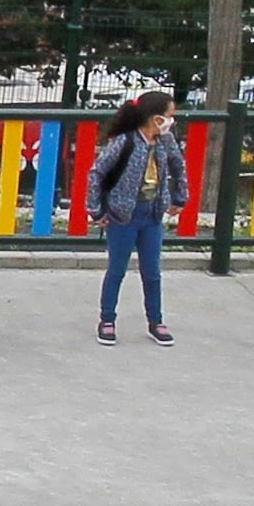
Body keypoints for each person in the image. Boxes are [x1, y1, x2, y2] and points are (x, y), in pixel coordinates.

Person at [90, 91, 184, 345]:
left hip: (152, 214)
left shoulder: (165, 141)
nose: (171, 122)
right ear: (155, 119)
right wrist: (96, 210)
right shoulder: (125, 141)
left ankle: (156, 320)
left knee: (152, 272)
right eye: (168, 117)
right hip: (123, 215)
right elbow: (97, 173)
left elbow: (178, 164)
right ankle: (107, 318)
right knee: (117, 269)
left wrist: (179, 197)